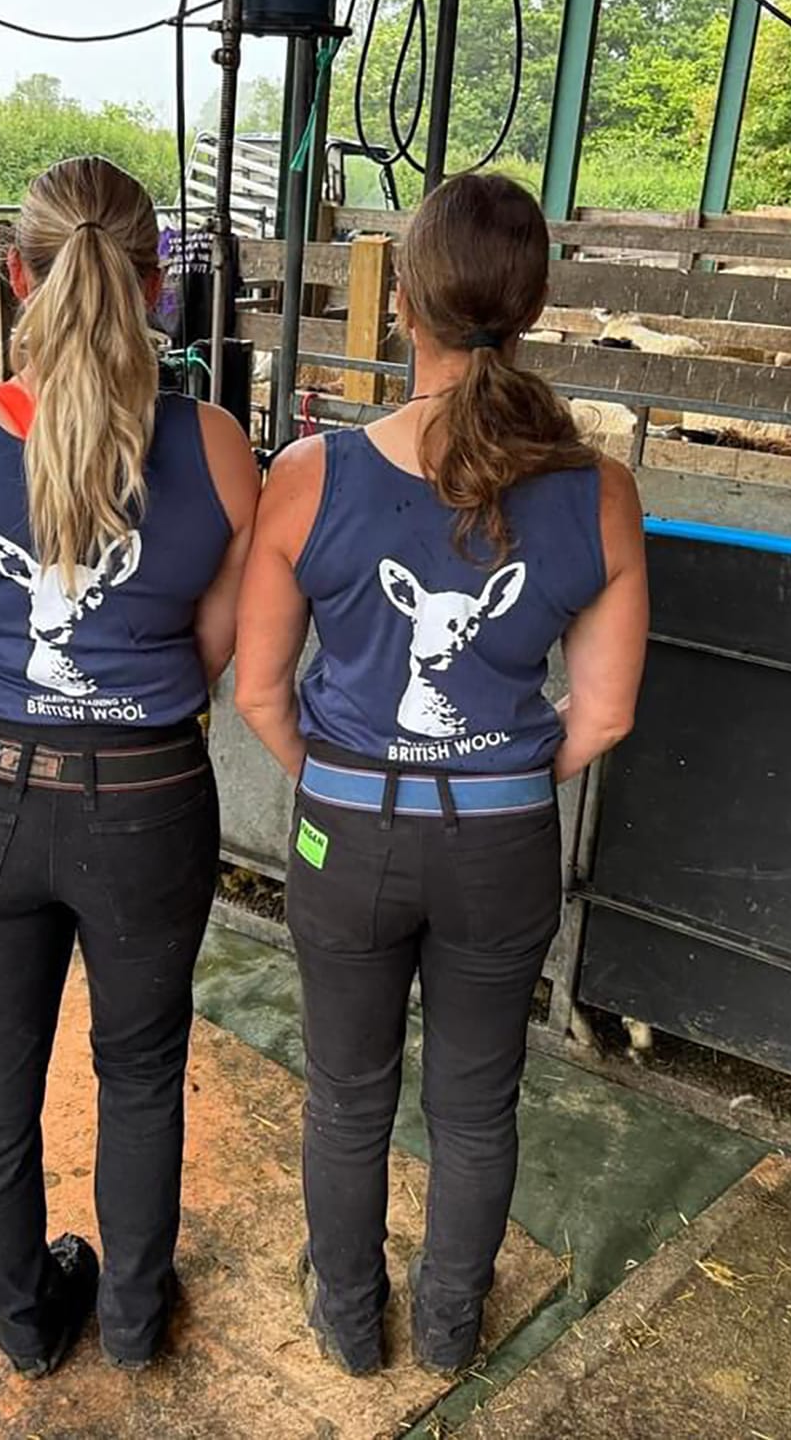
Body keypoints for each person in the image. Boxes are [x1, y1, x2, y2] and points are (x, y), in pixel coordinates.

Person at [233, 173, 649, 1378]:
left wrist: (347, 780)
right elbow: (604, 714)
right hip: (502, 844)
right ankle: (451, 1324)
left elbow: (259, 692)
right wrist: (494, 773)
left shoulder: (308, 474)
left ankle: (347, 1319)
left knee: (345, 1093)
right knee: (474, 1103)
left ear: (401, 305)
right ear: (533, 307)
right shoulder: (598, 491)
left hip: (346, 835)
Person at [0, 155, 258, 1378]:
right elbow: (209, 651)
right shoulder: (214, 444)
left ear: (14, 273)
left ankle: (26, 1325)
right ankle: (135, 1322)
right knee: (141, 1072)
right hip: (149, 801)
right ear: (156, 283)